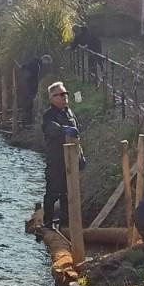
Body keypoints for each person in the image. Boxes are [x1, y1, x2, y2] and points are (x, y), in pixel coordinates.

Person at [41, 81, 82, 231]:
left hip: (71, 160)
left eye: (66, 94)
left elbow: (78, 135)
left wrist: (80, 157)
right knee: (53, 191)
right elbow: (51, 129)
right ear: (52, 98)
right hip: (56, 159)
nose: (65, 97)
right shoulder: (49, 115)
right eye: (61, 95)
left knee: (68, 192)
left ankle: (65, 224)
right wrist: (63, 129)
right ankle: (47, 223)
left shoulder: (69, 112)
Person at [15, 52, 45, 129]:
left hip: (24, 86)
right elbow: (33, 79)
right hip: (29, 87)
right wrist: (34, 91)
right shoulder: (36, 66)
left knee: (25, 105)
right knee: (28, 105)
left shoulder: (30, 63)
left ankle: (24, 123)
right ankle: (27, 124)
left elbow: (23, 68)